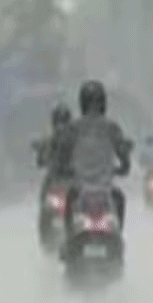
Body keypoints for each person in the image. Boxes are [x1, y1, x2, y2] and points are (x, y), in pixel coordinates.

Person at [55, 79, 132, 234]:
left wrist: (63, 168)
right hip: (104, 185)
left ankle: (69, 236)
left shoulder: (73, 128)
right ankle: (117, 234)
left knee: (70, 198)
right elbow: (123, 154)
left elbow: (62, 154)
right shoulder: (112, 128)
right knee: (119, 198)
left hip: (81, 184)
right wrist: (122, 167)